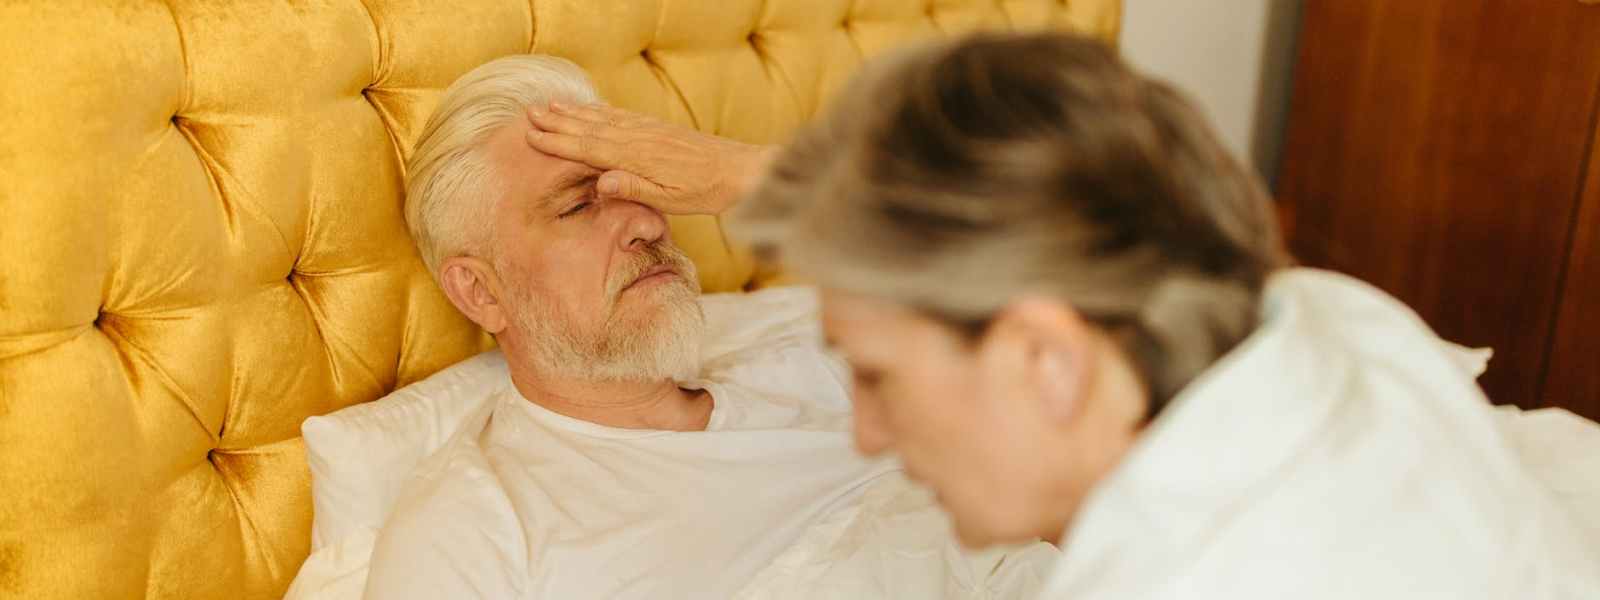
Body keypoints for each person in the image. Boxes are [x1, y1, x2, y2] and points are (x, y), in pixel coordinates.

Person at [525, 32, 1600, 599]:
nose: (866, 434)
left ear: (1045, 356)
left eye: (879, 375)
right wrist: (758, 180)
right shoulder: (1321, 322)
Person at [346, 54, 1056, 600]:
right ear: (480, 290)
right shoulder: (472, 534)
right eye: (579, 206)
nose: (650, 221)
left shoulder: (822, 359)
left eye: (642, 184)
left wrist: (754, 178)